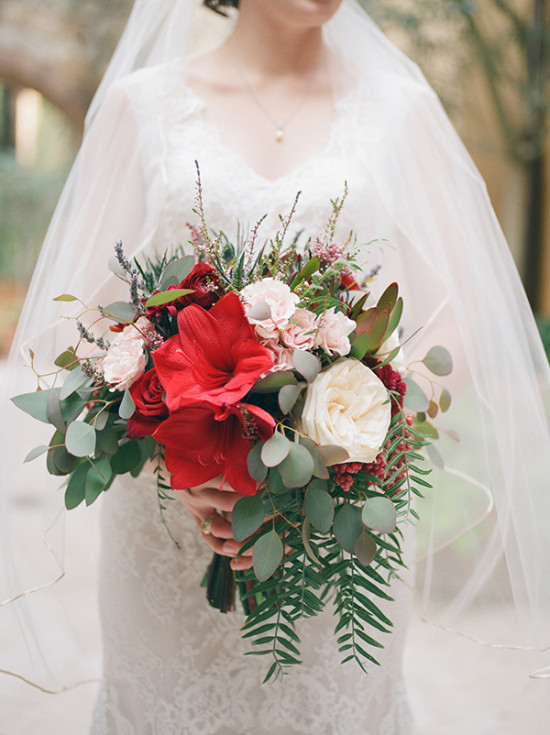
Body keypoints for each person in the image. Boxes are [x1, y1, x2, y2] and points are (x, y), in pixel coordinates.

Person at [1, 0, 549, 733]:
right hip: (168, 521)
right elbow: (90, 322)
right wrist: (184, 451)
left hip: (339, 524)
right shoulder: (143, 108)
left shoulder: (403, 113)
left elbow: (456, 323)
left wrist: (331, 445)